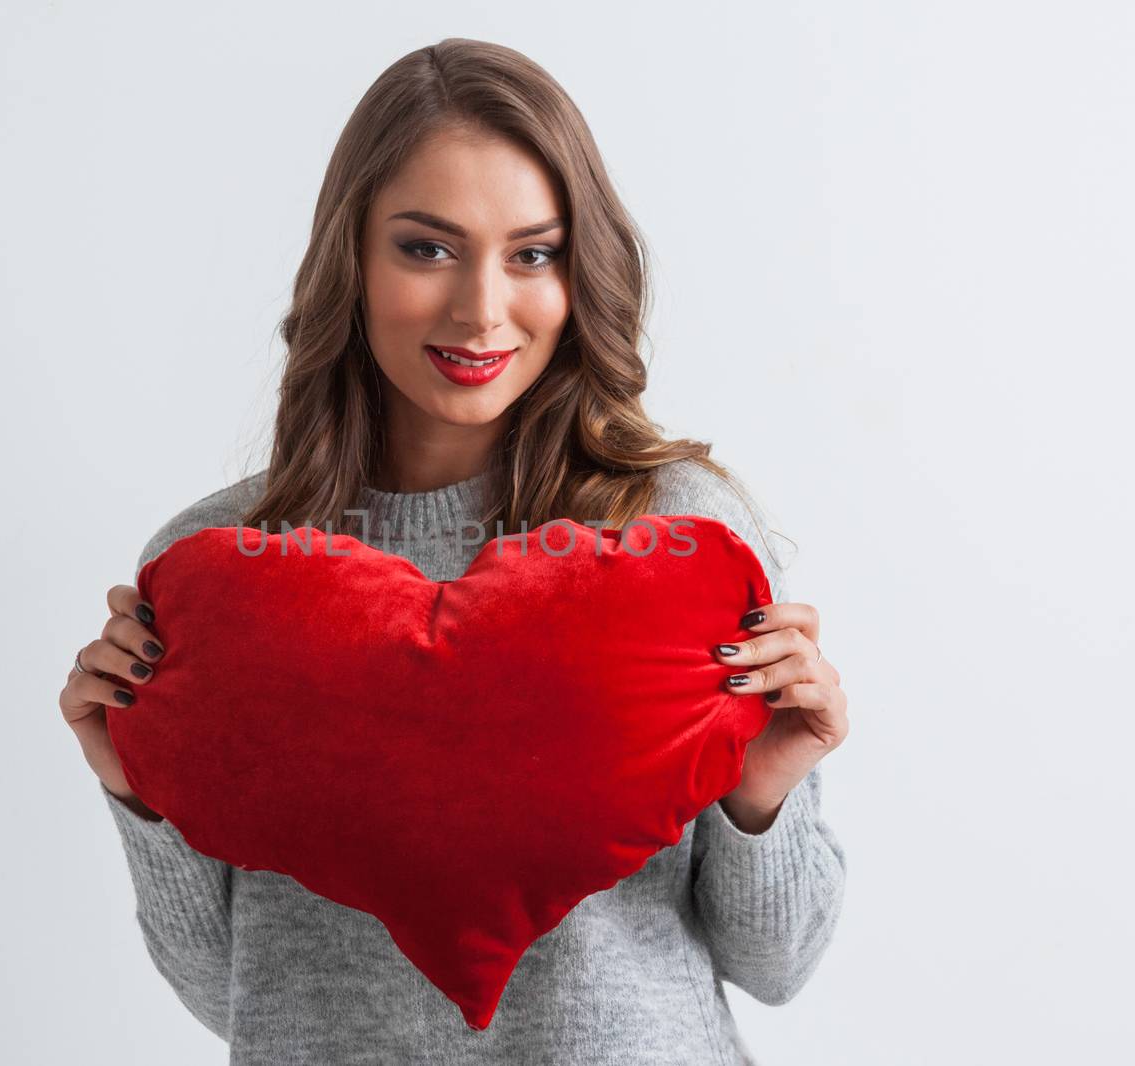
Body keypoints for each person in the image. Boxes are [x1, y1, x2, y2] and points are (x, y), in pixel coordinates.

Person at [58, 37, 849, 1066]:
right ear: (352, 256)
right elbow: (232, 993)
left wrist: (764, 788)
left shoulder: (675, 538)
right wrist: (132, 785)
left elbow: (778, 965)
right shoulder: (218, 570)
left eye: (533, 254)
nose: (481, 309)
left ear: (581, 271)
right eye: (426, 248)